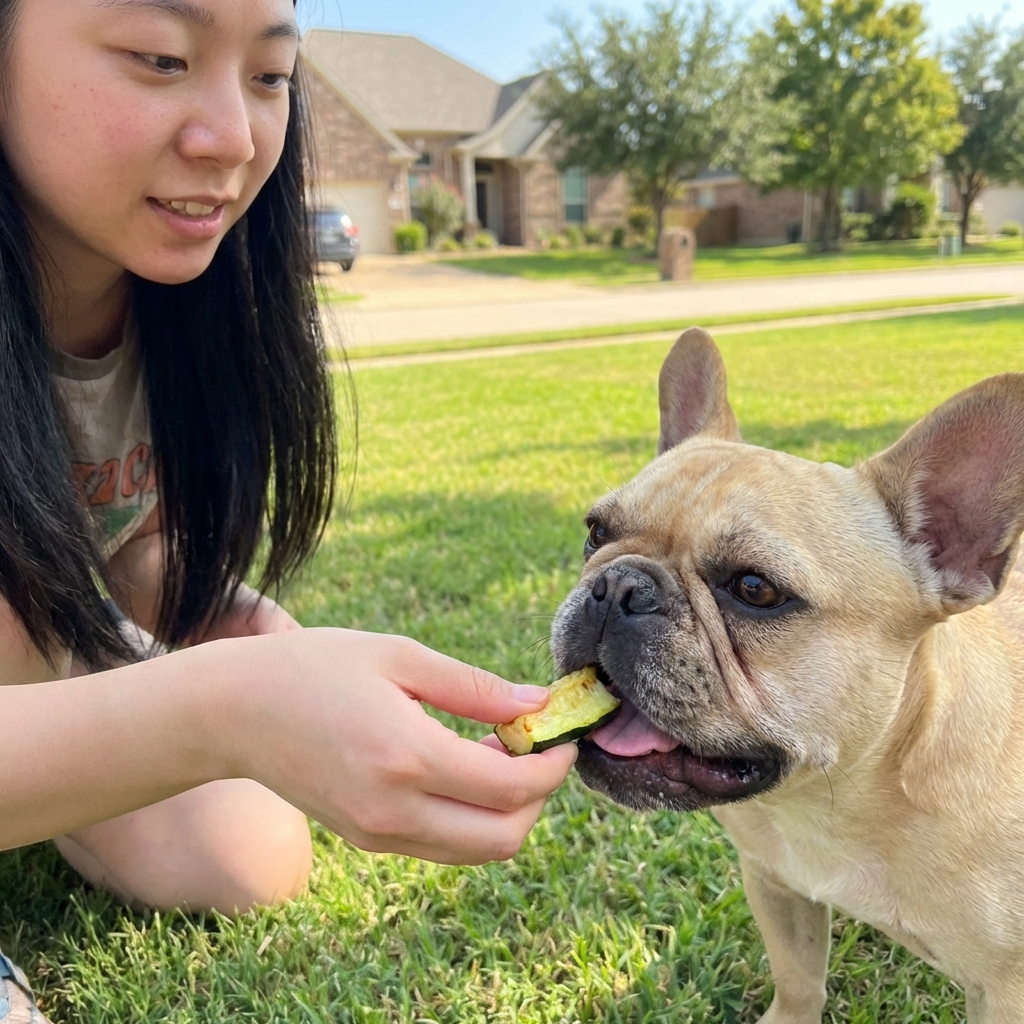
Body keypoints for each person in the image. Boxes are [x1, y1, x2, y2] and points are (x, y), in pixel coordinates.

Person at [0, 0, 578, 1017]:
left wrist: (232, 625)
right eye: (158, 56)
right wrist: (225, 706)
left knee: (248, 854)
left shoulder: (177, 303)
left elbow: (134, 521)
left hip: (47, 648)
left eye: (269, 77)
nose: (231, 136)